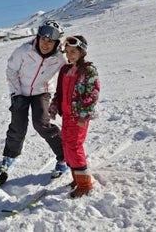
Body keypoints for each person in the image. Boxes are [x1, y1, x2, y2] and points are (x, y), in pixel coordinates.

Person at [0, 20, 68, 191]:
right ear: (38, 38)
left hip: (42, 92)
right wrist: (16, 93)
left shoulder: (60, 58)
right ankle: (9, 157)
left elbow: (71, 67)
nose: (46, 44)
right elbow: (11, 70)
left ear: (57, 43)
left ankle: (64, 157)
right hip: (20, 91)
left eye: (51, 41)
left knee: (42, 123)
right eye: (43, 39)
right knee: (18, 125)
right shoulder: (24, 50)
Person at [49, 35, 100, 198]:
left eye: (73, 52)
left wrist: (84, 115)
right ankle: (77, 178)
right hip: (67, 116)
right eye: (68, 52)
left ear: (82, 51)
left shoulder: (88, 70)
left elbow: (92, 94)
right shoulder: (65, 70)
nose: (70, 55)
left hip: (79, 117)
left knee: (74, 146)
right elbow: (60, 92)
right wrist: (54, 106)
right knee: (65, 144)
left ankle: (85, 184)